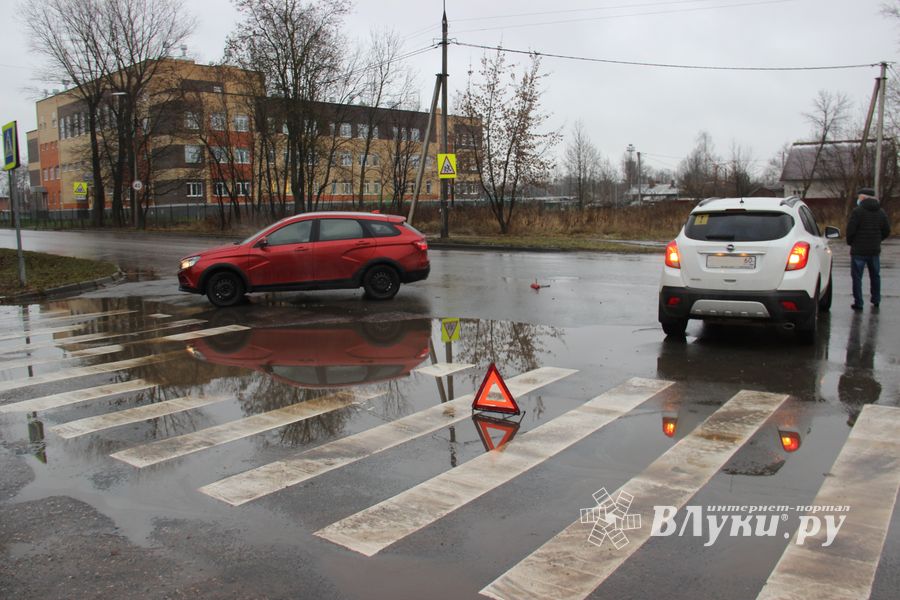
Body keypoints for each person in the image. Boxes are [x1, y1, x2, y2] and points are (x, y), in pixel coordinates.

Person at [846, 187, 891, 310]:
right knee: (875, 275)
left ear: (863, 198)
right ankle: (876, 299)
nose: (858, 199)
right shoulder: (881, 212)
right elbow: (887, 230)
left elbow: (850, 230)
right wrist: (878, 240)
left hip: (858, 251)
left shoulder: (857, 212)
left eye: (859, 197)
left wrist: (851, 242)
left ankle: (858, 302)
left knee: (857, 277)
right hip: (874, 250)